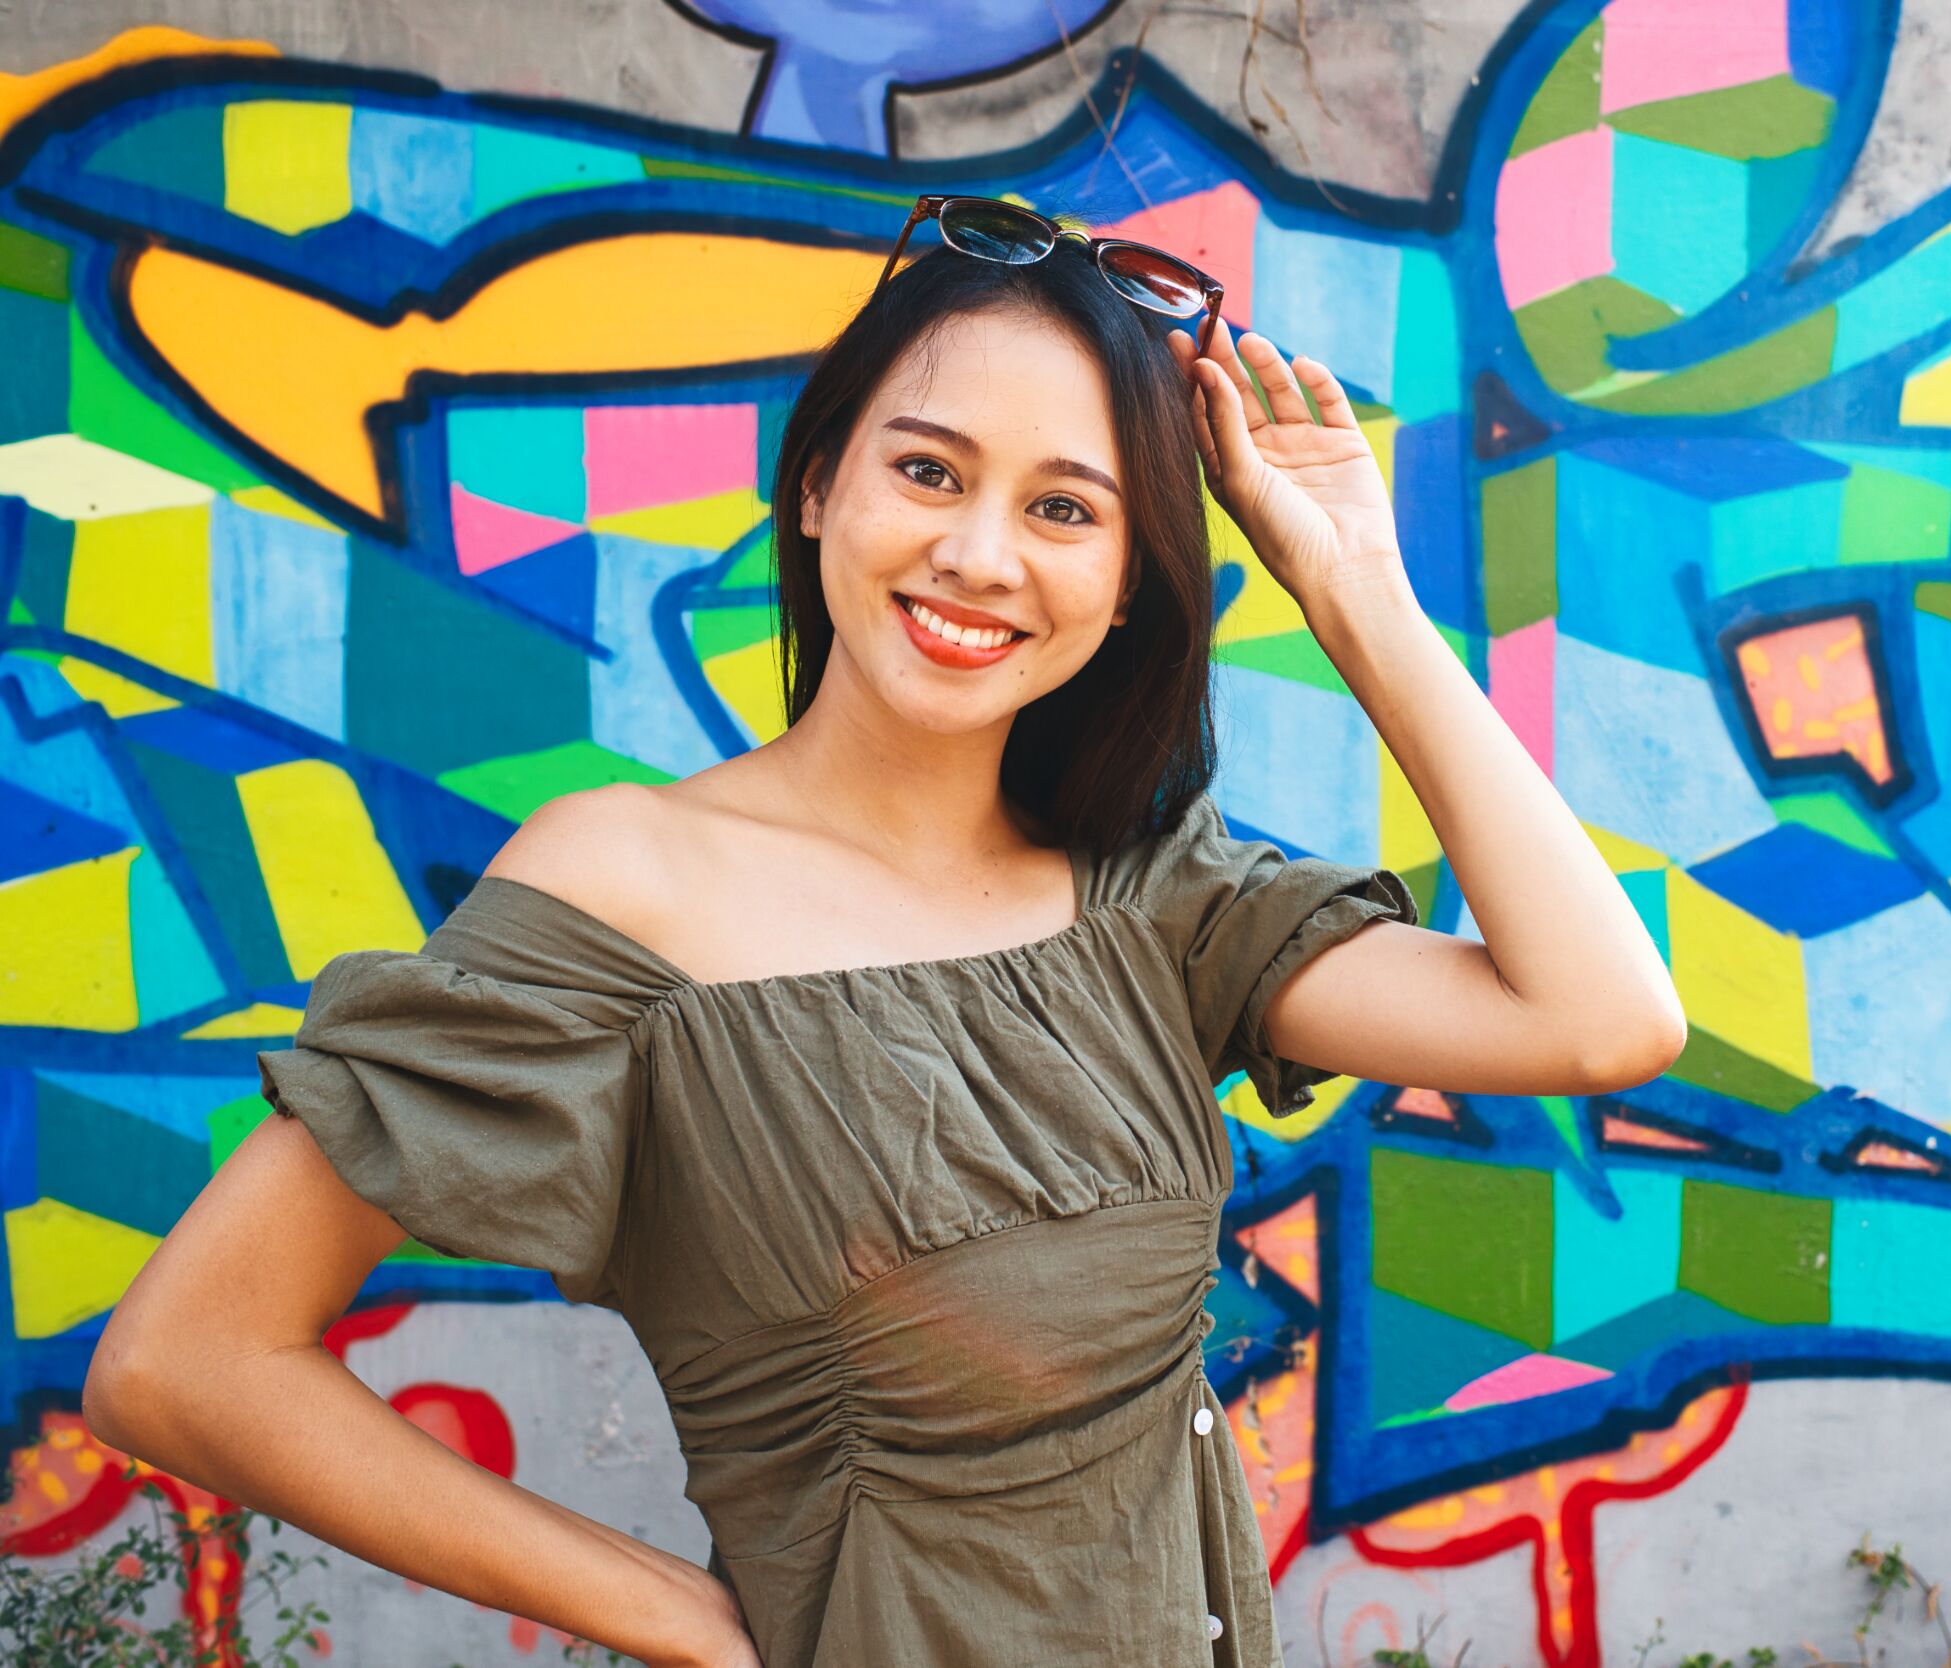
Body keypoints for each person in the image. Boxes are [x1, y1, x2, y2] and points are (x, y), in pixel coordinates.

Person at [82, 197, 1686, 1668]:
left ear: (1131, 581)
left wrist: (1362, 600)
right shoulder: (628, 885)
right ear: (817, 485)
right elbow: (187, 1361)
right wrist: (692, 1629)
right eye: (928, 470)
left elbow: (1603, 1024)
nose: (978, 555)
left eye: (1067, 508)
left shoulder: (1149, 895)